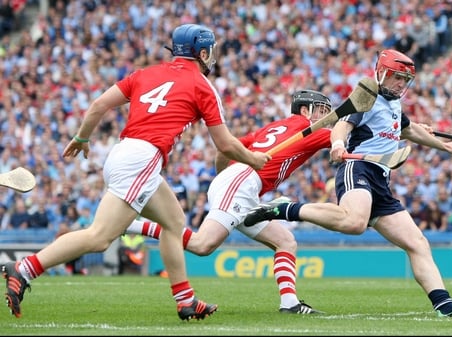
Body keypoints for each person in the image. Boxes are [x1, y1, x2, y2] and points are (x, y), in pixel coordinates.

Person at [1, 24, 270, 320]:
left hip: (124, 152)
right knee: (100, 237)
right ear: (202, 52)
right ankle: (25, 268)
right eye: (211, 52)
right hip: (142, 160)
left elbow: (99, 104)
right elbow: (226, 144)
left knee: (174, 221)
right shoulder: (203, 86)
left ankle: (186, 301)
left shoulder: (145, 74)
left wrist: (82, 138)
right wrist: (252, 159)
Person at [244, 49, 452, 319]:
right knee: (354, 223)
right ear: (381, 73)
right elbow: (342, 126)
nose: (401, 84)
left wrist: (446, 146)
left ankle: (446, 308)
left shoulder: (394, 103)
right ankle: (285, 208)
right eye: (396, 78)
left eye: (405, 80)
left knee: (417, 242)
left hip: (381, 179)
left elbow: (409, 130)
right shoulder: (366, 96)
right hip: (357, 167)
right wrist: (336, 143)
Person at [125, 89, 333, 314]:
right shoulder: (308, 130)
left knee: (285, 241)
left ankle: (290, 303)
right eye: (322, 111)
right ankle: (131, 225)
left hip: (239, 183)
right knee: (202, 245)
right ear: (305, 110)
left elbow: (224, 150)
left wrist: (223, 178)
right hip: (242, 182)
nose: (326, 118)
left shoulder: (272, 127)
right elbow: (341, 138)